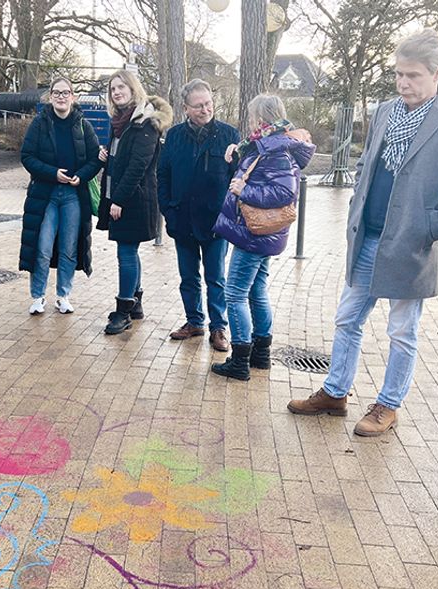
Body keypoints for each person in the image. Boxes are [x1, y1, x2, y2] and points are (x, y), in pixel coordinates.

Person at [287, 29, 438, 436]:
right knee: (347, 318)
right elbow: (368, 164)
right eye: (398, 74)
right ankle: (335, 392)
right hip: (367, 237)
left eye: (412, 75)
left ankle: (388, 404)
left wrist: (433, 224)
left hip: (411, 244)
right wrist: (358, 200)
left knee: (402, 330)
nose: (403, 83)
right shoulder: (385, 110)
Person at [210, 94, 315, 381]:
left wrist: (244, 191)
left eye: (253, 115)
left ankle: (240, 359)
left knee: (235, 294)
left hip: (254, 234)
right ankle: (260, 354)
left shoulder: (276, 152)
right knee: (256, 291)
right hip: (260, 234)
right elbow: (258, 177)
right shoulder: (266, 145)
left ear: (262, 118)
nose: (250, 121)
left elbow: (283, 193)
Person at [157, 79, 239, 352]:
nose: (206, 109)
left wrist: (230, 214)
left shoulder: (229, 135)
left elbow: (239, 179)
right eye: (199, 106)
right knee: (188, 276)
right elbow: (163, 174)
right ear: (186, 109)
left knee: (215, 277)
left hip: (216, 222)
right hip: (182, 219)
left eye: (209, 104)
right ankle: (194, 322)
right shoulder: (175, 136)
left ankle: (219, 328)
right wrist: (167, 209)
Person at [96, 70, 173, 335]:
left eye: (121, 87)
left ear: (133, 89)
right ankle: (135, 302)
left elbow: (138, 166)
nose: (116, 92)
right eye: (112, 89)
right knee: (130, 250)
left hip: (134, 199)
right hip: (121, 195)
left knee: (125, 252)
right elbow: (123, 157)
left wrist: (119, 200)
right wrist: (107, 154)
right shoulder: (121, 120)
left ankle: (123, 311)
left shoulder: (145, 122)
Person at [18, 77, 102, 314]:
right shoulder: (40, 123)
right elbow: (27, 156)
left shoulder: (83, 125)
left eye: (66, 93)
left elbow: (96, 158)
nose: (61, 97)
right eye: (57, 92)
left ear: (73, 97)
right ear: (50, 96)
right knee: (42, 246)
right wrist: (52, 174)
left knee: (68, 247)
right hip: (45, 194)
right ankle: (38, 296)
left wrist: (81, 176)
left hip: (73, 195)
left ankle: (63, 295)